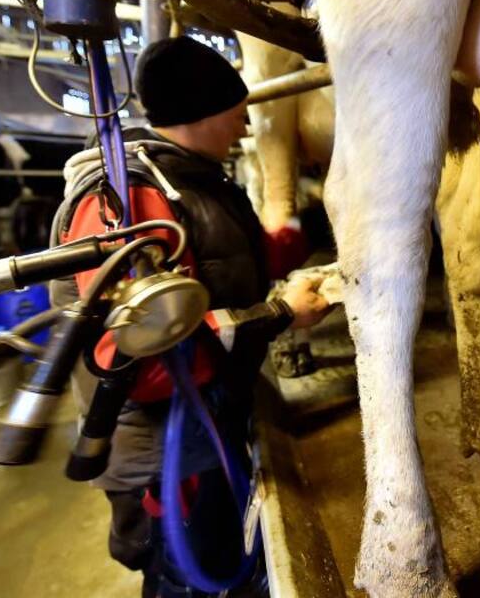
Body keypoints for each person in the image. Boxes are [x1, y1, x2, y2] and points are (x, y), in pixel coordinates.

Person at [50, 36, 329, 597]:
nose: (245, 128)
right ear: (203, 113)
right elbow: (139, 361)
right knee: (192, 578)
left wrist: (328, 222)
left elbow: (241, 261)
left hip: (206, 428)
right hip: (163, 457)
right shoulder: (126, 202)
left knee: (225, 556)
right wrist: (280, 315)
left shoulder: (193, 182)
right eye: (237, 112)